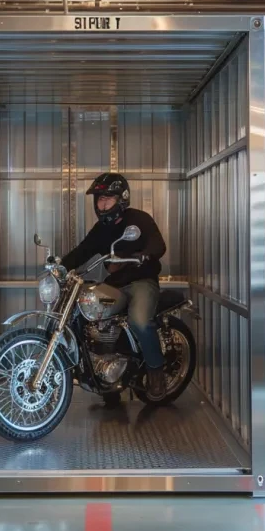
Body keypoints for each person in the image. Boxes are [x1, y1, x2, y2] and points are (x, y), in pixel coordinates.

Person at [60, 172, 168, 401]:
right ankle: (107, 376)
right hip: (116, 284)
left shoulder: (139, 219)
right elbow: (83, 251)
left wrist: (146, 255)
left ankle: (156, 371)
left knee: (139, 321)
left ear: (122, 198)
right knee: (96, 320)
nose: (103, 203)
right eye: (99, 199)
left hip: (141, 282)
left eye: (108, 198)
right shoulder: (100, 229)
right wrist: (60, 266)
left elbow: (158, 244)